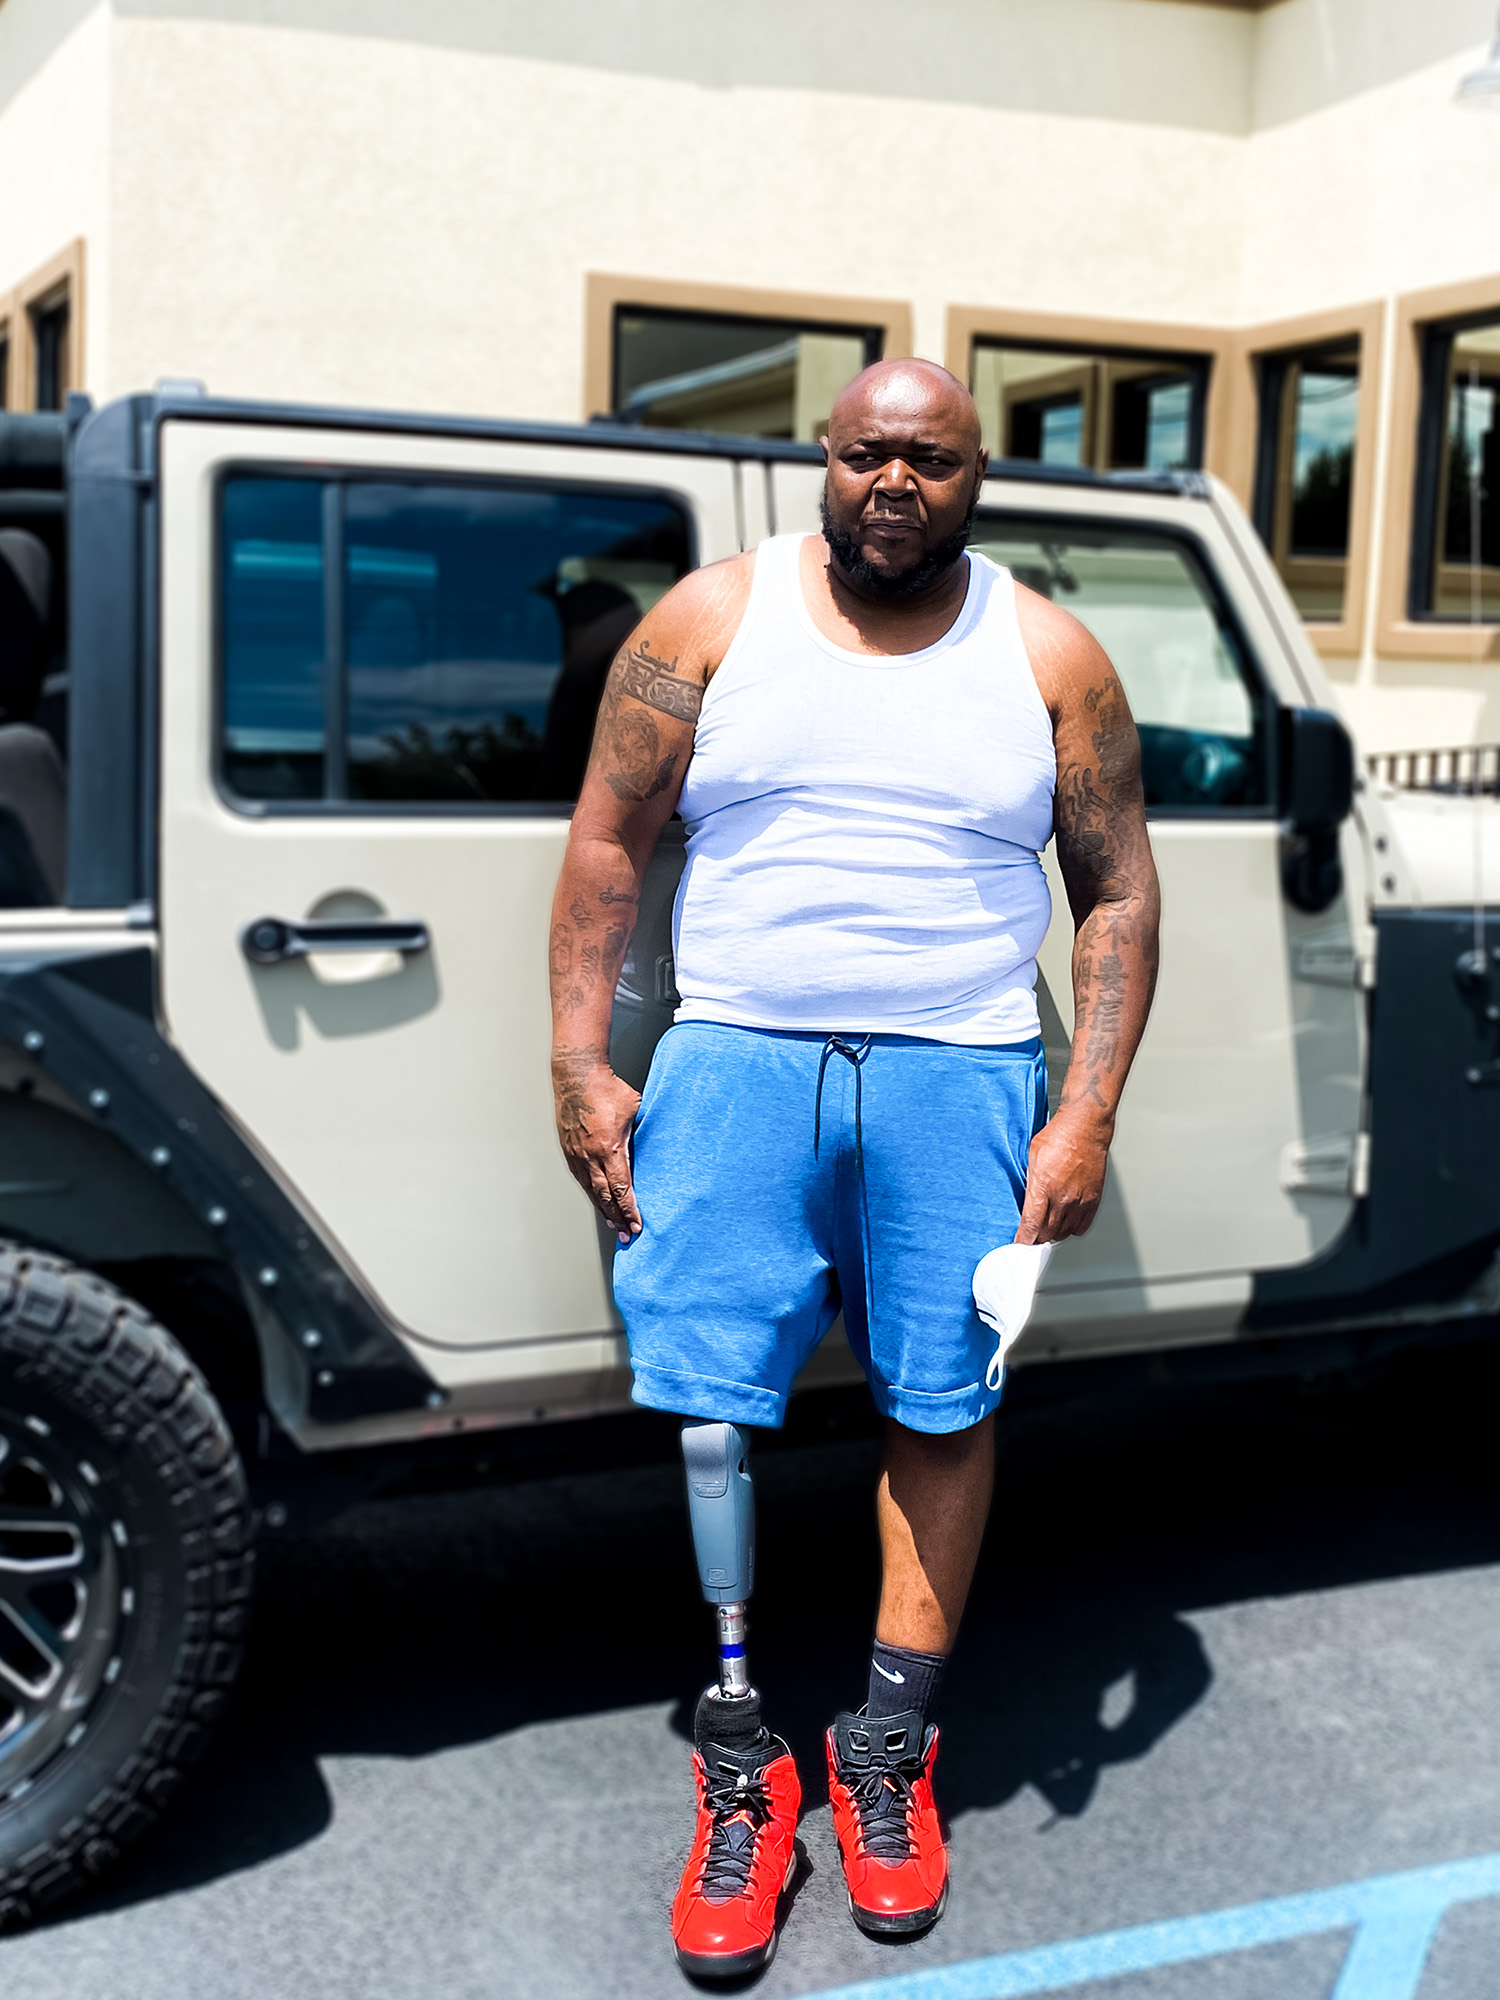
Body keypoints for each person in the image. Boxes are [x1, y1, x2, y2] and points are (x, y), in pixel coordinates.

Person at [548, 359, 1160, 1977]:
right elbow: (610, 843)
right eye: (872, 453)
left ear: (977, 479)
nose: (899, 482)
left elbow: (1115, 895)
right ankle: (741, 1759)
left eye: (934, 460)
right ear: (823, 459)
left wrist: (1083, 1110)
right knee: (709, 1410)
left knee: (940, 1404)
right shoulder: (704, 622)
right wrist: (579, 1058)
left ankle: (885, 1755)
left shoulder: (1048, 654)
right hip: (733, 1062)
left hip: (961, 1077)